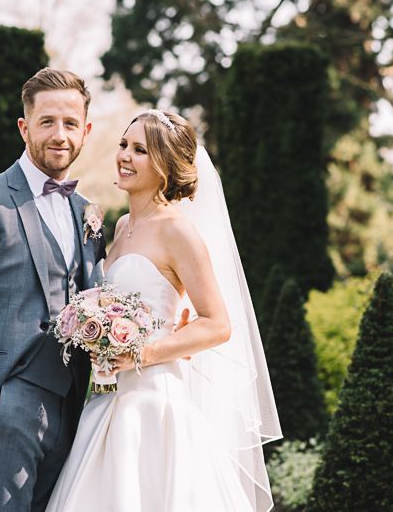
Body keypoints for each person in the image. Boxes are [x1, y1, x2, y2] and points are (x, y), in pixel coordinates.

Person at [47, 109, 281, 512]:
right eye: (124, 144)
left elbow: (218, 324)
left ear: (165, 167)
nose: (124, 155)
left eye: (140, 150)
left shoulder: (177, 230)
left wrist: (143, 352)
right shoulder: (120, 227)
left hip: (154, 407)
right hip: (105, 402)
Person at [0, 68, 107, 511]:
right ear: (25, 127)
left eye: (70, 124)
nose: (60, 135)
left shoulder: (88, 214)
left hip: (74, 410)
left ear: (86, 130)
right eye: (47, 122)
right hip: (5, 406)